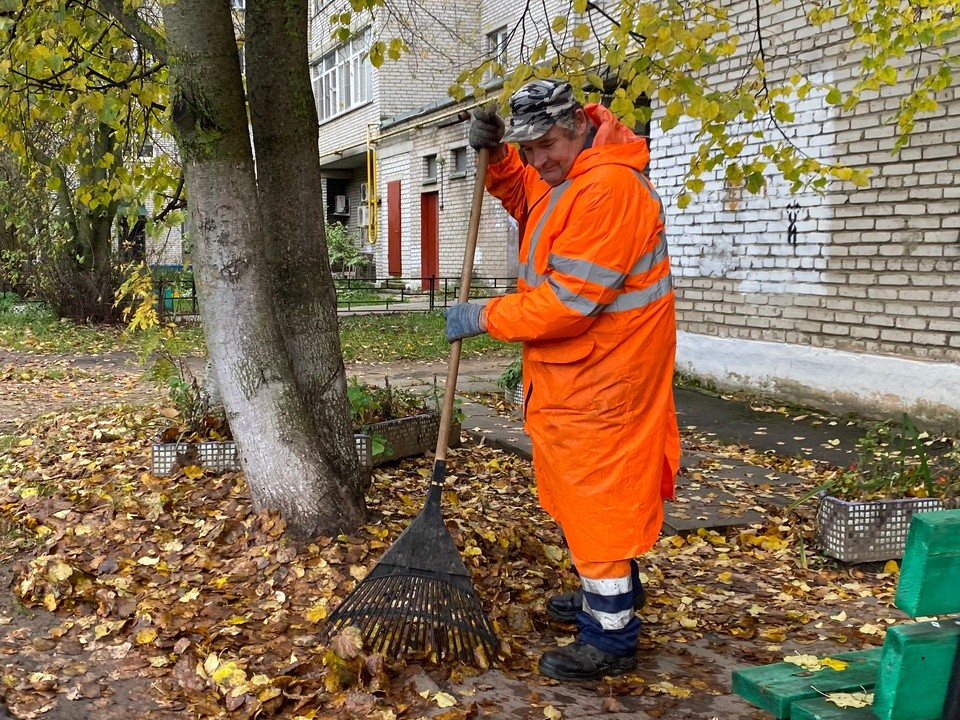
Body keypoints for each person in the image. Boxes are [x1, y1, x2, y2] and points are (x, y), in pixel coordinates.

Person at [445, 78, 681, 681]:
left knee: (598, 505)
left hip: (605, 385)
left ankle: (610, 636)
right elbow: (529, 193)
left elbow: (568, 303)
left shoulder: (607, 190)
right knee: (585, 503)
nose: (538, 160)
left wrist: (485, 315)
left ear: (578, 125)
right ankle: (611, 595)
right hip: (582, 379)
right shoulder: (570, 179)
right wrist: (498, 156)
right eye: (529, 148)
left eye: (546, 143)